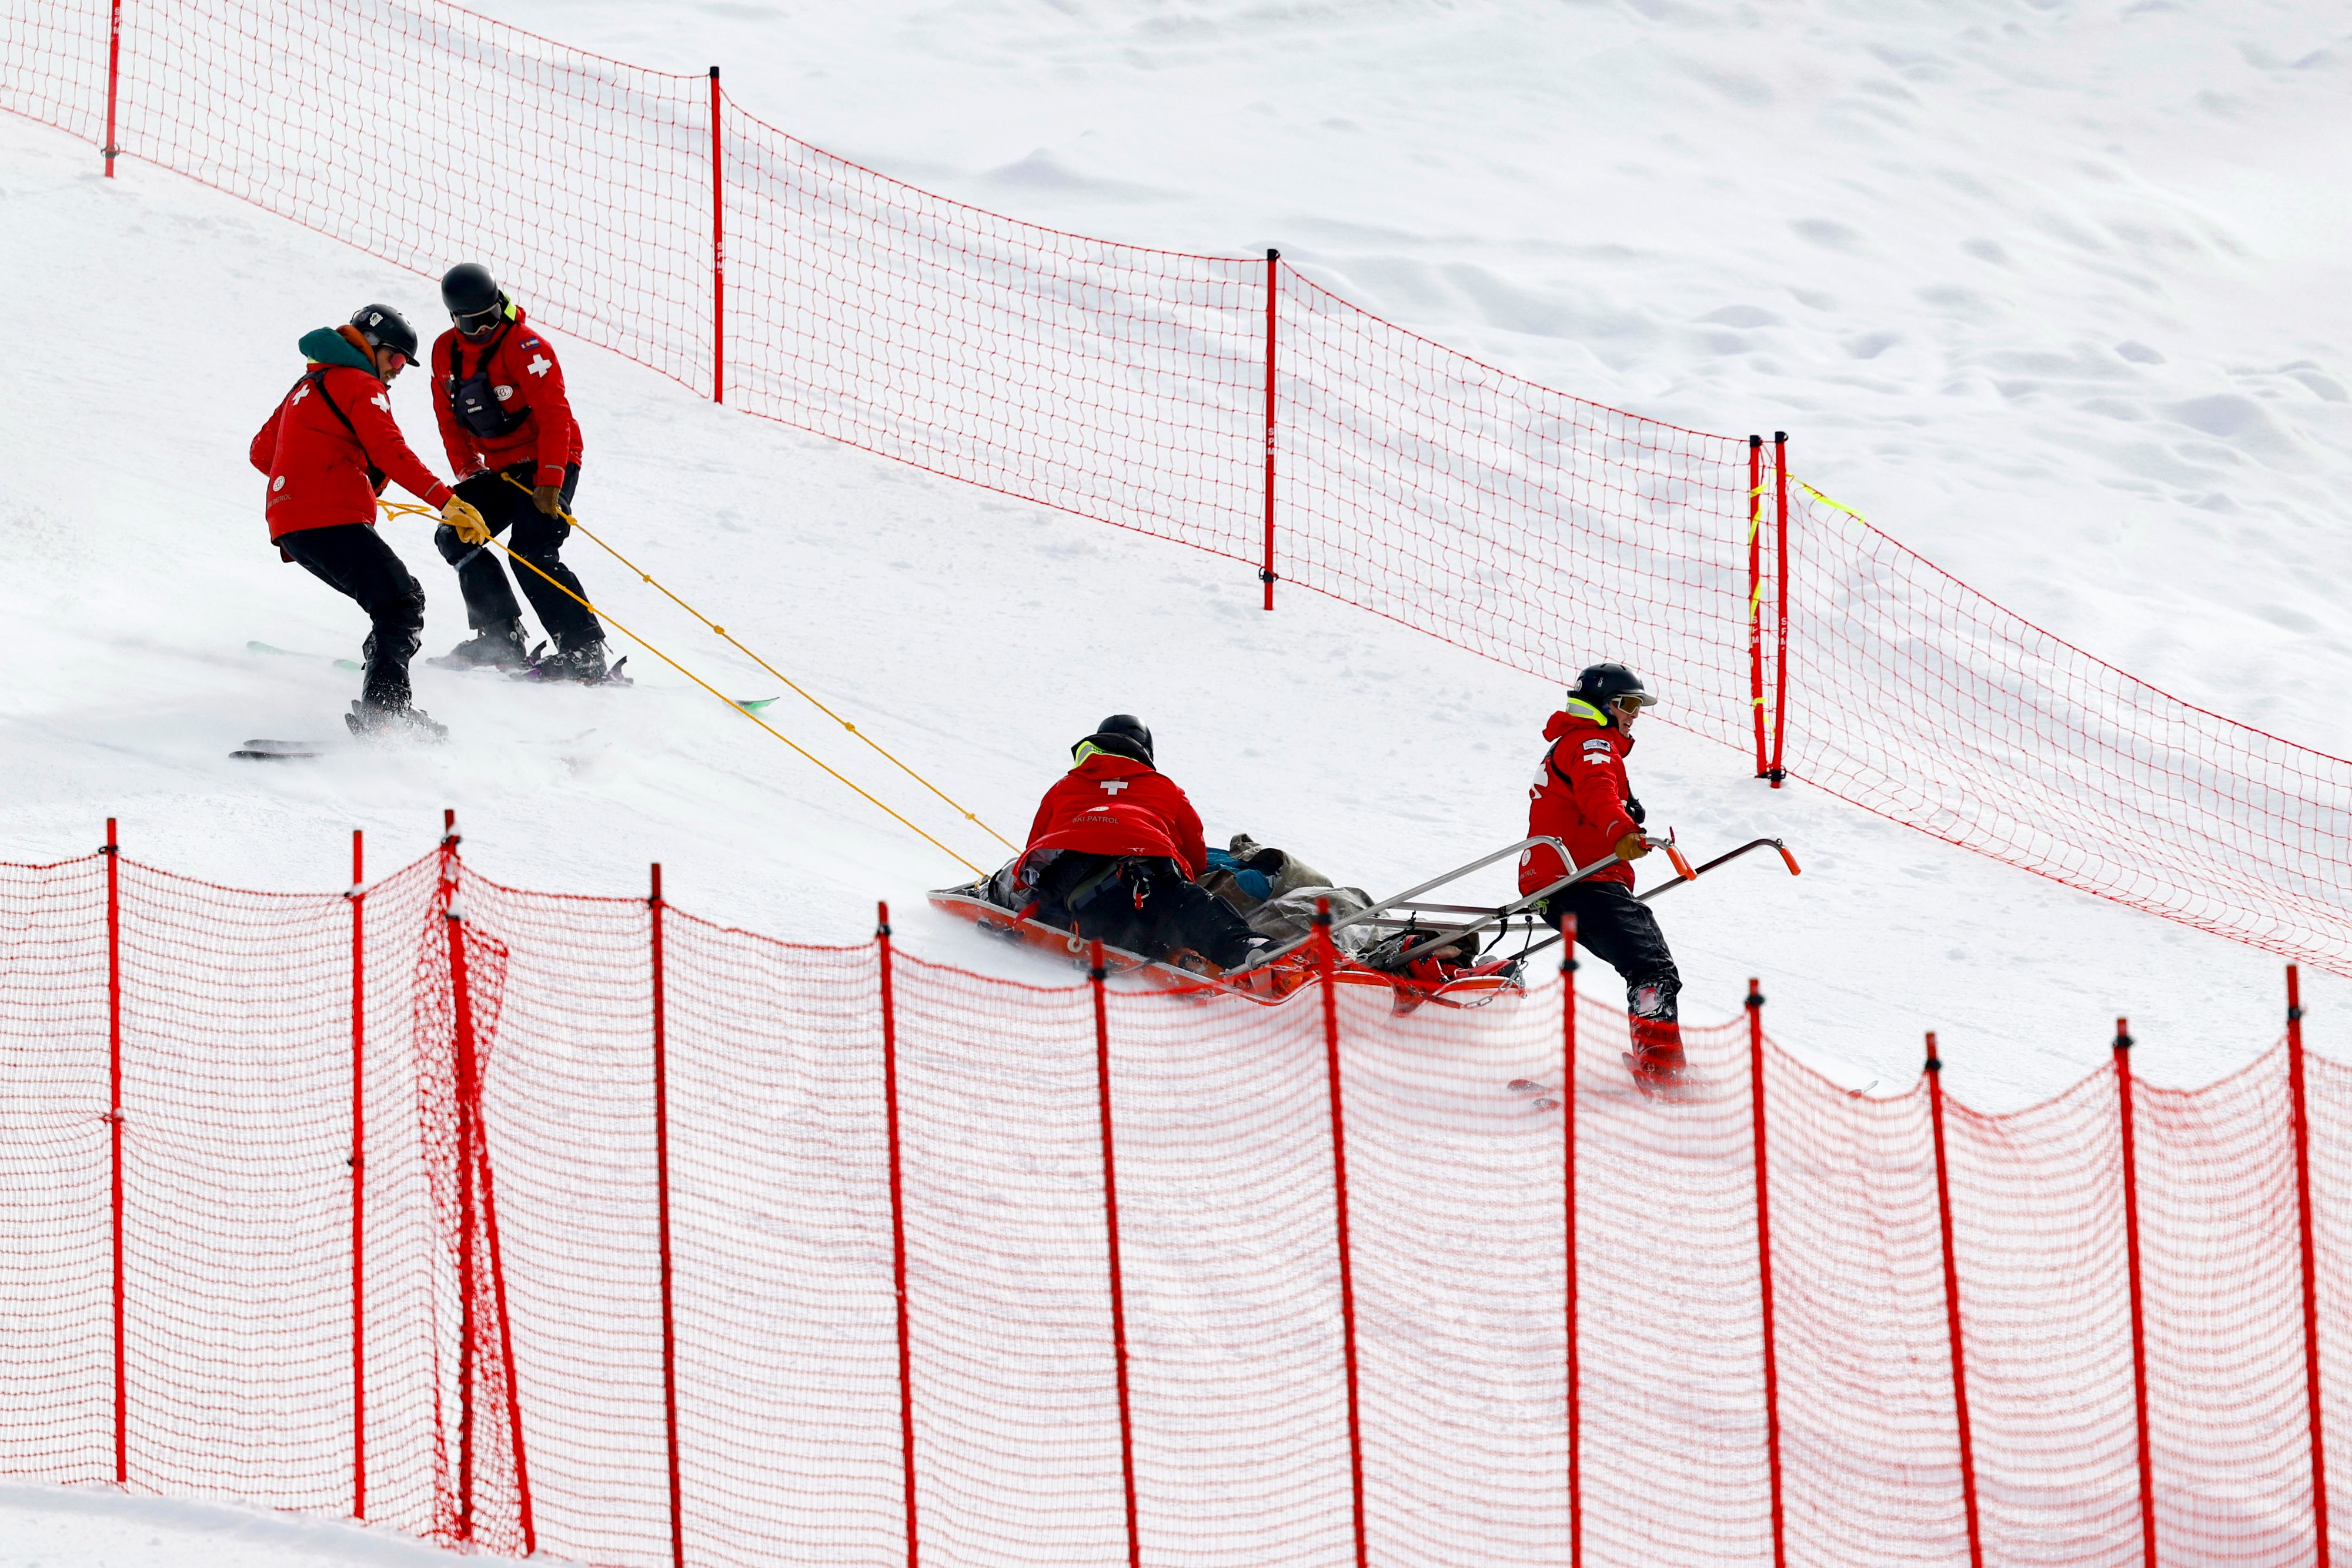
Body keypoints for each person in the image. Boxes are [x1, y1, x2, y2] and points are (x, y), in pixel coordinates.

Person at [249, 304, 488, 737]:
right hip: (329, 517)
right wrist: (447, 502)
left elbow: (261, 453)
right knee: (402, 603)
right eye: (396, 359)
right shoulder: (361, 384)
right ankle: (386, 714)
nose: (398, 371)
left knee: (393, 601)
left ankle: (385, 703)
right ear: (373, 347)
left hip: (290, 524)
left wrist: (323, 472)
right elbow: (390, 451)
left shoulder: (307, 383)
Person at [426, 262, 610, 680]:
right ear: (455, 320)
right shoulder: (444, 353)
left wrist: (550, 482)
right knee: (457, 531)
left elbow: (555, 416)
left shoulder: (526, 346)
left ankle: (584, 651)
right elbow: (448, 418)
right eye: (472, 324)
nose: (484, 330)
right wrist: (469, 472)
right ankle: (499, 637)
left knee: (530, 550)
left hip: (552, 458)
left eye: (492, 317)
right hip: (502, 468)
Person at [1520, 662, 1687, 1088]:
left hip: (1559, 883)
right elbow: (1597, 793)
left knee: (1646, 951)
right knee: (1651, 968)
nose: (1635, 714)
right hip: (1580, 882)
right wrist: (1624, 831)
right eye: (1629, 704)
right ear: (1605, 705)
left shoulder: (1576, 741)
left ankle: (1661, 1064)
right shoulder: (1593, 742)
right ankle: (1660, 1071)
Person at [1008, 716, 1260, 972]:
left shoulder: (1064, 787)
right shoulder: (1165, 788)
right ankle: (1250, 951)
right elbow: (1195, 859)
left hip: (1074, 899)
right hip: (1149, 888)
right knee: (1193, 908)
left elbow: (1035, 848)